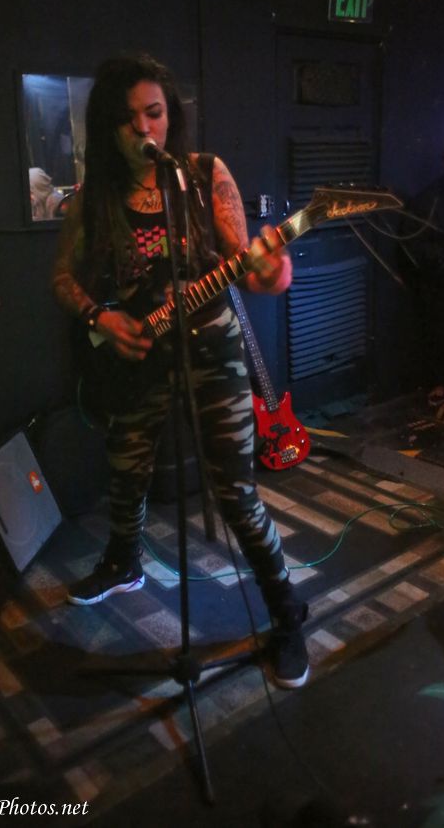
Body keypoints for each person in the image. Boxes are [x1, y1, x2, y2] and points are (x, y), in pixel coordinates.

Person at [51, 53, 308, 689]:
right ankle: (124, 561)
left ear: (171, 115)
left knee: (236, 493)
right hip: (139, 353)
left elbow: (249, 267)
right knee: (126, 468)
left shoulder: (202, 175)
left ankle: (286, 616)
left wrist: (272, 269)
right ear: (107, 126)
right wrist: (100, 317)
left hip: (212, 349)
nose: (144, 129)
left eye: (154, 113)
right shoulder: (95, 196)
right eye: (128, 118)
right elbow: (62, 277)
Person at [404, 135, 444, 405]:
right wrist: (441, 260)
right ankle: (440, 382)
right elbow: (411, 239)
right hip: (443, 277)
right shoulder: (429, 197)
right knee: (439, 328)